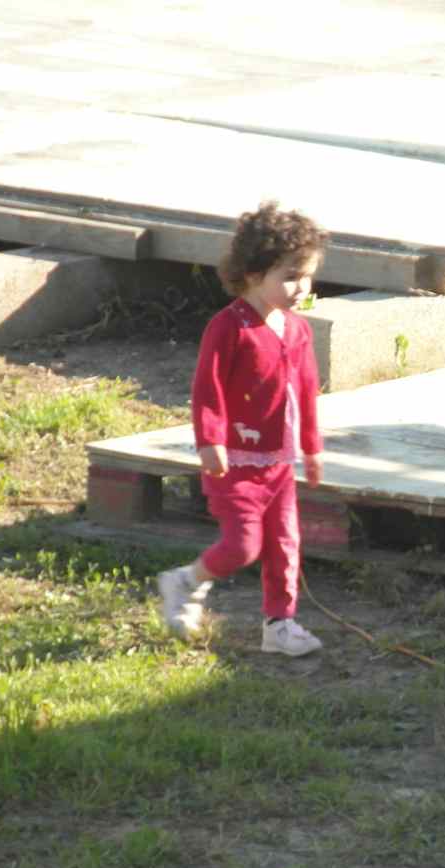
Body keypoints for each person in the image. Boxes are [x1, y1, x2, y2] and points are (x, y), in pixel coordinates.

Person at [157, 201, 329, 657]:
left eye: (308, 276)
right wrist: (210, 439)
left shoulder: (297, 330)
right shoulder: (228, 328)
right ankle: (185, 581)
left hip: (279, 462)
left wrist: (311, 447)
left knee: (285, 544)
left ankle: (280, 625)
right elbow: (207, 386)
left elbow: (306, 390)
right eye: (290, 276)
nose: (302, 287)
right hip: (235, 462)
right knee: (243, 545)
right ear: (253, 274)